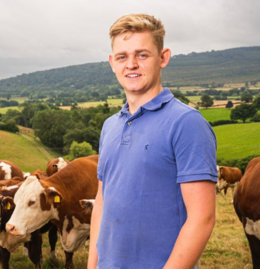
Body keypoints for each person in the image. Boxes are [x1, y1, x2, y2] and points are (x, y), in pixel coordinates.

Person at [88, 14, 217, 269]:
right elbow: (102, 203)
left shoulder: (186, 123)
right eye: (123, 57)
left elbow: (202, 218)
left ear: (163, 58)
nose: (131, 64)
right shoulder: (110, 126)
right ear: (112, 63)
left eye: (142, 55)